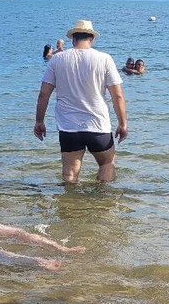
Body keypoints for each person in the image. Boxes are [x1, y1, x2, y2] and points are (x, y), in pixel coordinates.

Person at [34, 19, 128, 183]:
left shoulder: (57, 59)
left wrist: (39, 121)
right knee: (106, 164)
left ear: (73, 38)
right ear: (92, 38)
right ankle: (102, 197)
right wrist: (123, 123)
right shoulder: (104, 59)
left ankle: (69, 199)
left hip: (69, 127)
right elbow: (117, 96)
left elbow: (43, 94)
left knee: (69, 174)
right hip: (98, 124)